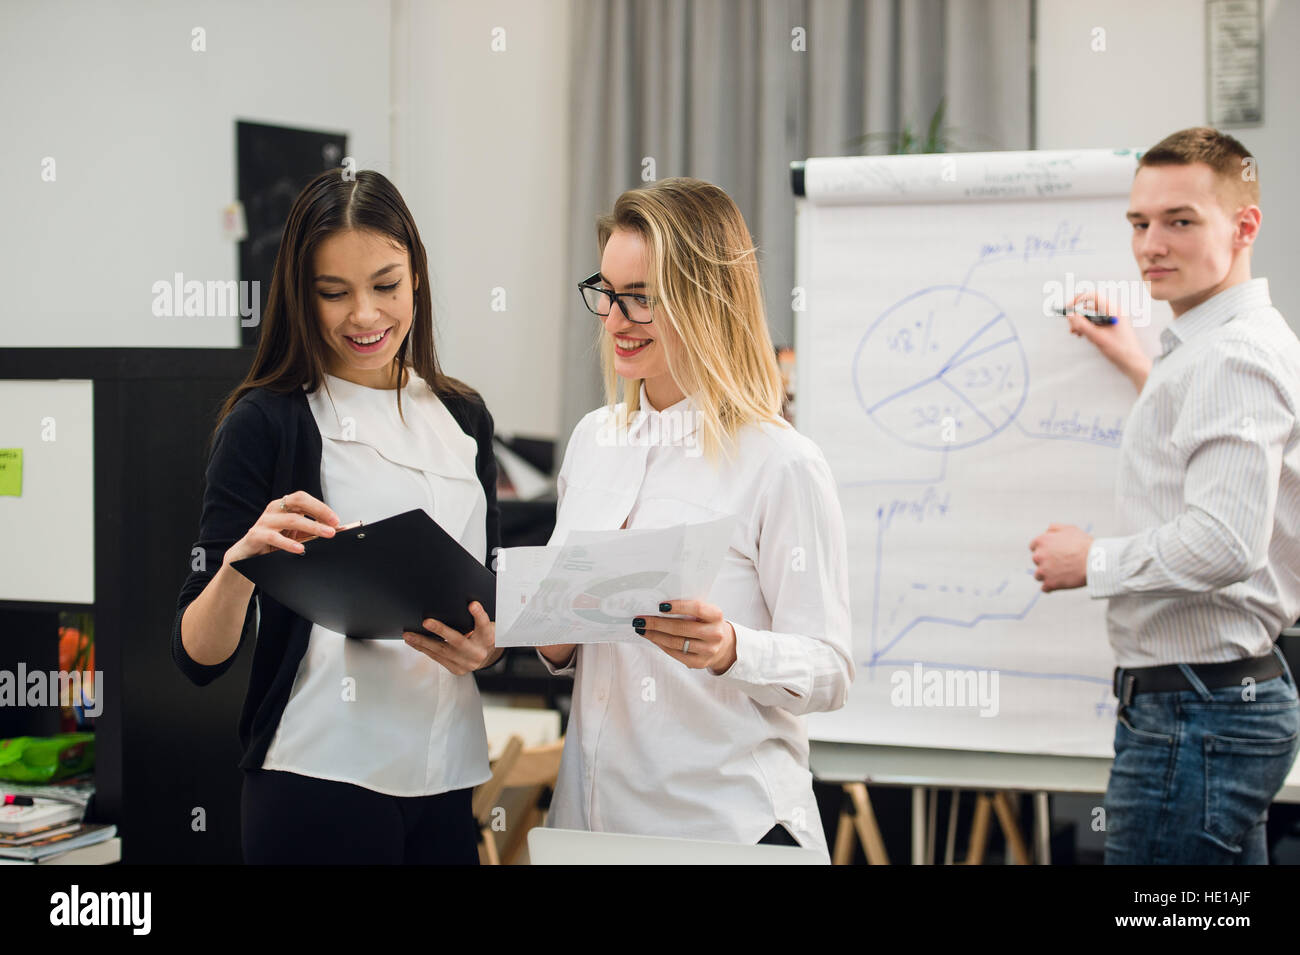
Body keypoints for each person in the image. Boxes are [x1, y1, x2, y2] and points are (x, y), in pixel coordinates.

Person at [172, 169, 501, 864]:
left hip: (447, 776)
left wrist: (490, 647)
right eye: (333, 292)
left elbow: (488, 596)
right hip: (318, 781)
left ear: (417, 278)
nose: (364, 314)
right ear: (301, 294)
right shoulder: (268, 421)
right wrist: (240, 566)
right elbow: (196, 654)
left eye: (386, 285)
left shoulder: (463, 416)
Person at [536, 177, 853, 855]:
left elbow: (830, 669)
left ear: (706, 299)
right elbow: (565, 645)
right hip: (590, 826)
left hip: (724, 830)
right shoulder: (594, 441)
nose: (615, 320)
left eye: (642, 299)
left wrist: (734, 647)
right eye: (609, 293)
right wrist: (545, 629)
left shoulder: (781, 462)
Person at [1030, 127, 1300, 864]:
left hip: (1198, 715)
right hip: (1210, 708)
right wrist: (1137, 365)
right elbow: (1214, 450)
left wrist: (1092, 561)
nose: (1151, 243)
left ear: (1245, 226)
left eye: (1180, 221)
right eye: (1139, 223)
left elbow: (1226, 540)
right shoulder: (1219, 349)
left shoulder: (1232, 358)